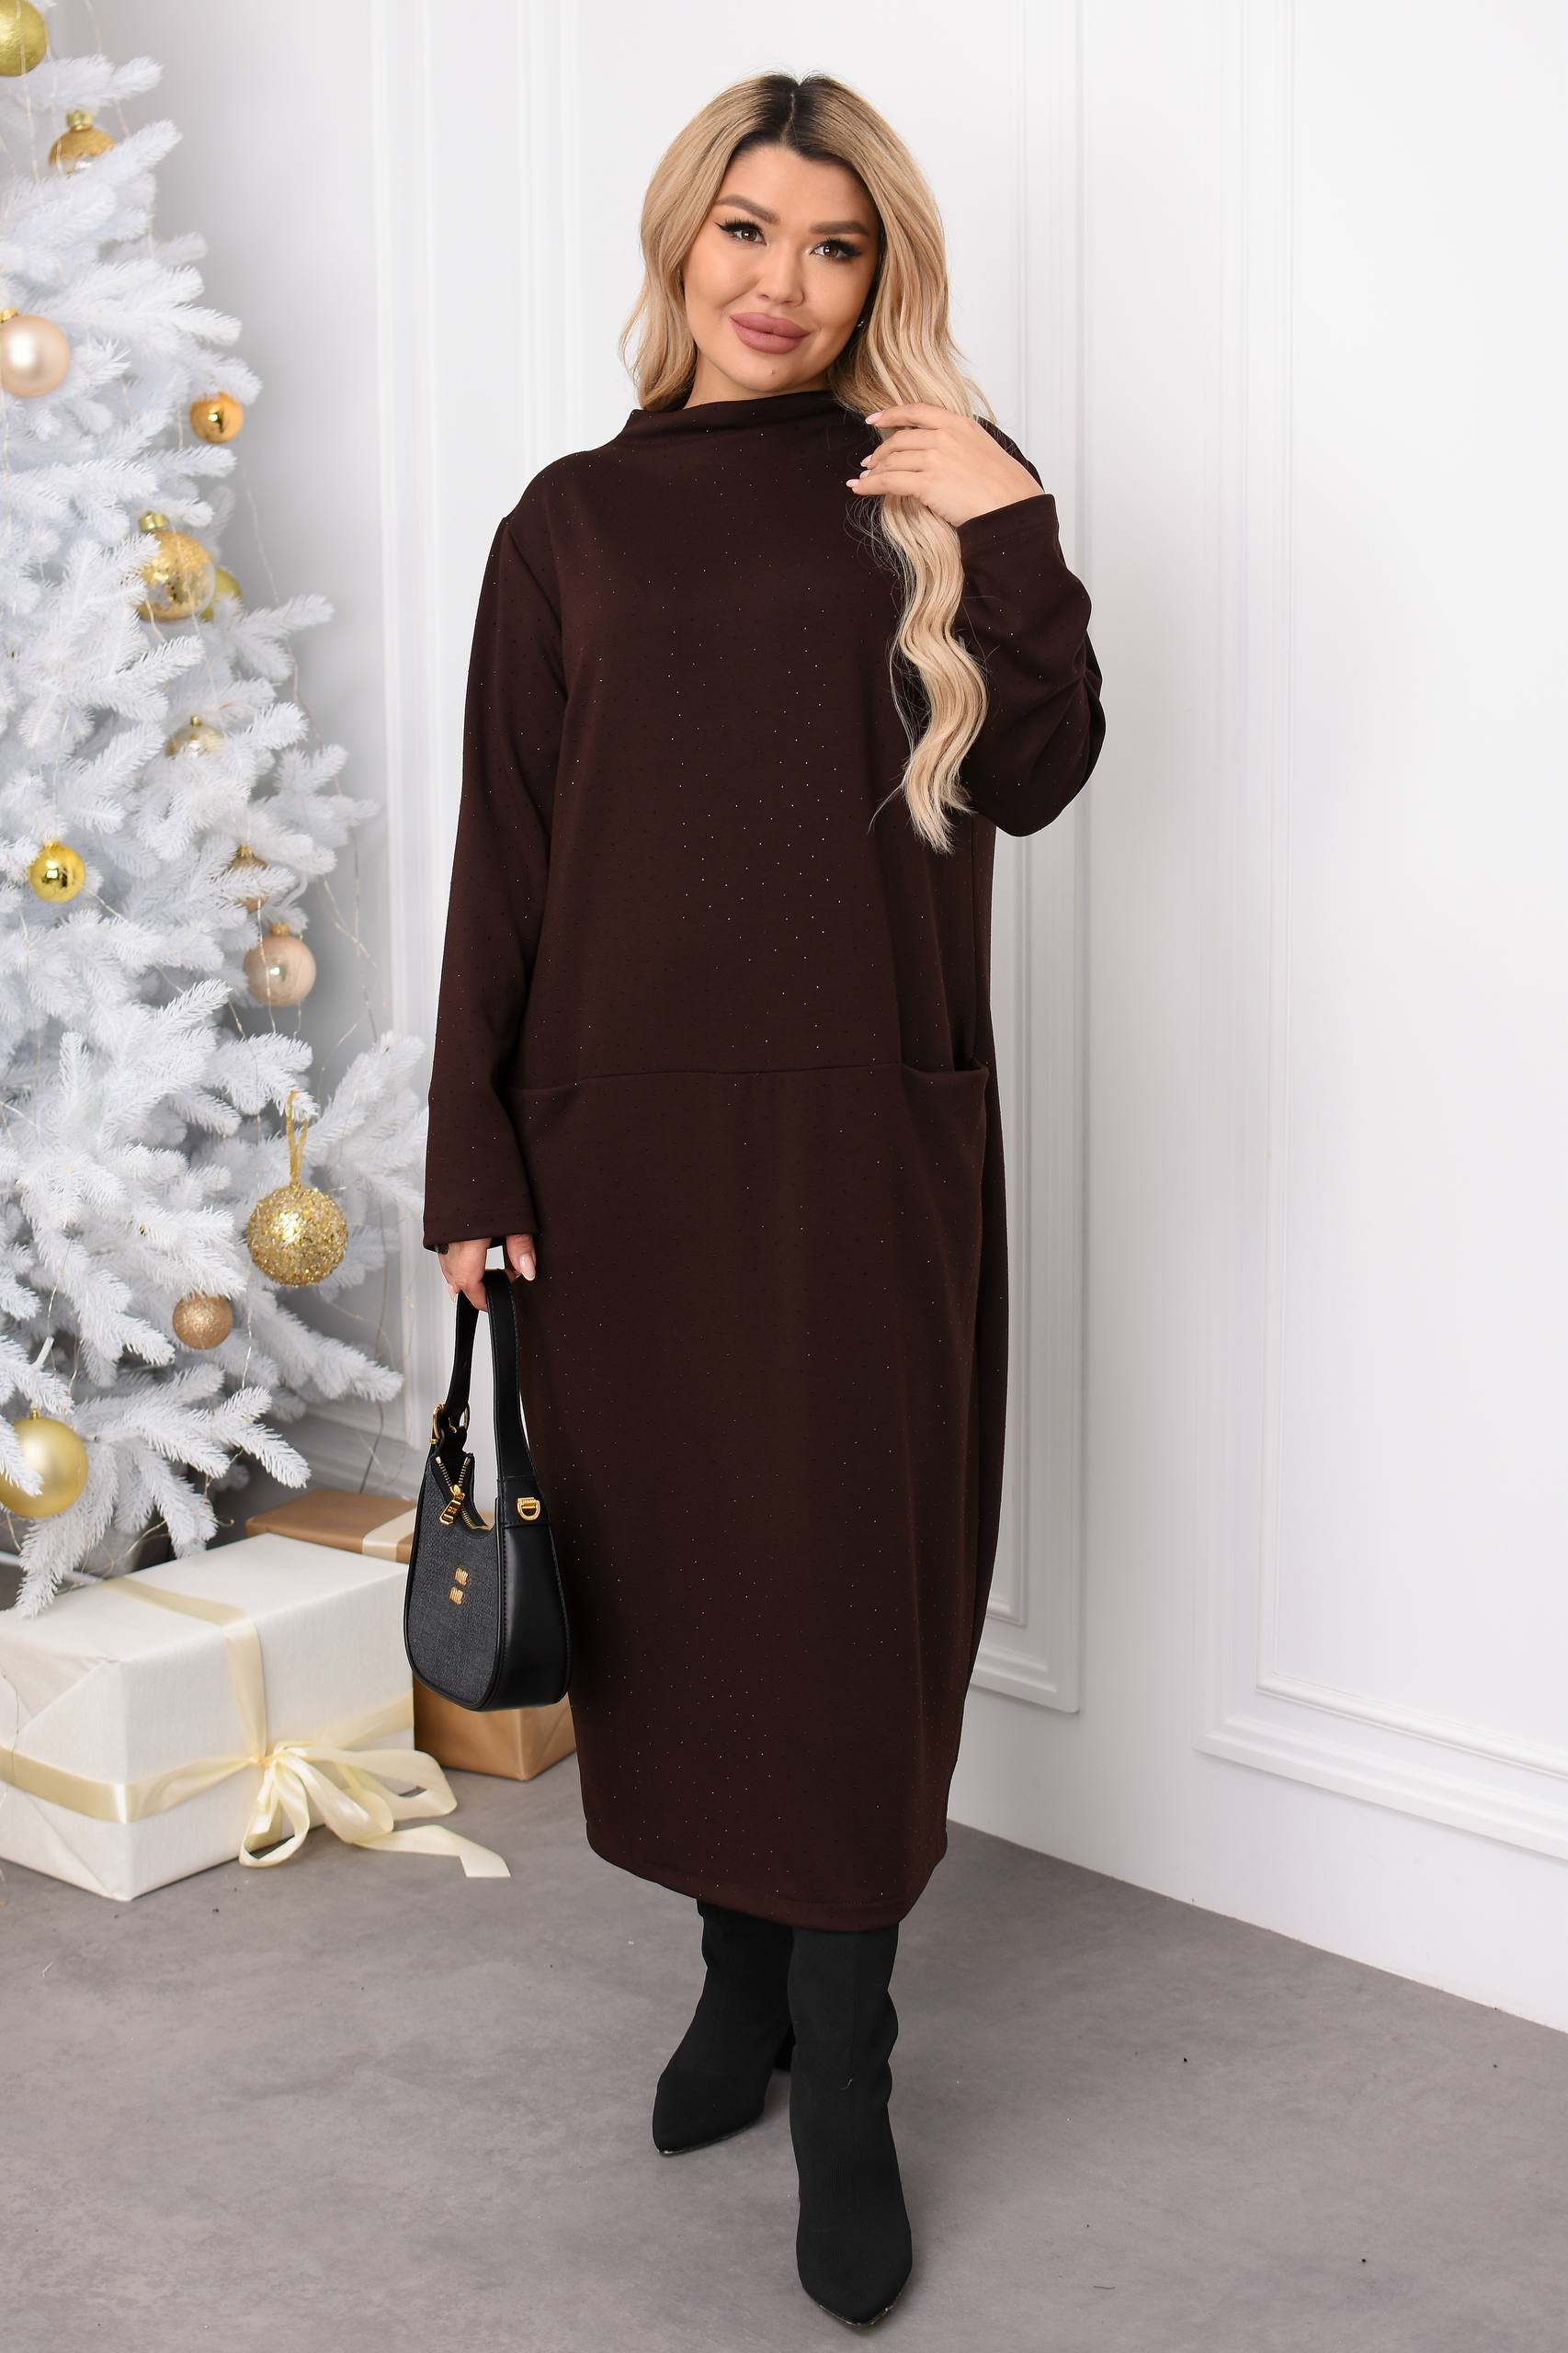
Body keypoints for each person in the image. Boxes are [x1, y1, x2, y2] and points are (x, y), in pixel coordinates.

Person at [422, 69, 1105, 2329]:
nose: (782, 283)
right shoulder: (570, 525)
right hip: (617, 1151)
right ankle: (737, 1976)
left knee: (841, 1589)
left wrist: (1015, 525)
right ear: (679, 241)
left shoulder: (927, 486)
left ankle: (846, 2062)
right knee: (682, 1580)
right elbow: (504, 853)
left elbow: (1040, 767)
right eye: (746, 230)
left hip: (857, 1143)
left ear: (878, 269)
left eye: (832, 244)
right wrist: (470, 1149)